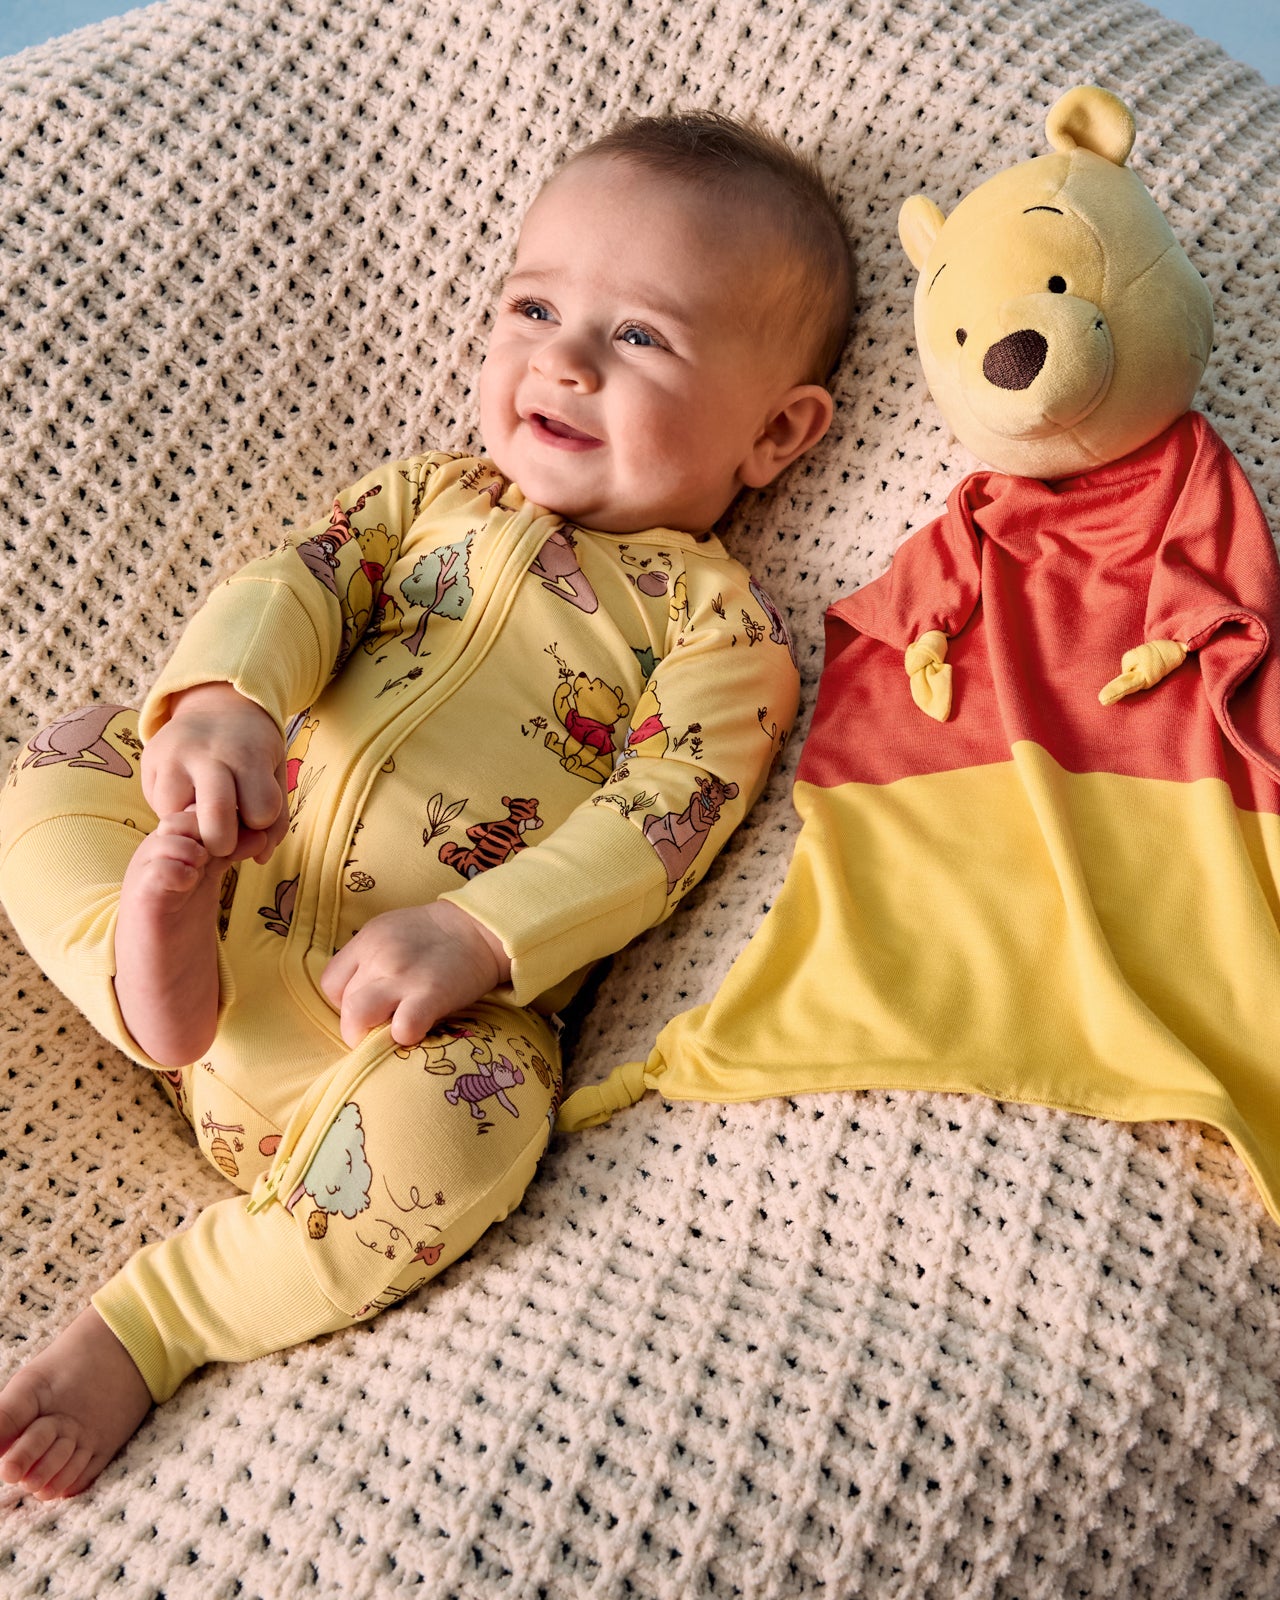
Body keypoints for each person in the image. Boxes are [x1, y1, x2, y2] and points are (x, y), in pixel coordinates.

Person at [0, 109, 854, 1498]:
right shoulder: (422, 501)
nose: (562, 359)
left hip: (392, 1037)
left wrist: (482, 935)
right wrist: (224, 705)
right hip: (220, 867)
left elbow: (664, 819)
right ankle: (138, 964)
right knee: (66, 748)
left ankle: (157, 1321)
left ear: (778, 431)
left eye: (640, 337)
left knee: (481, 1125)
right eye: (532, 305)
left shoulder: (715, 628)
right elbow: (299, 583)